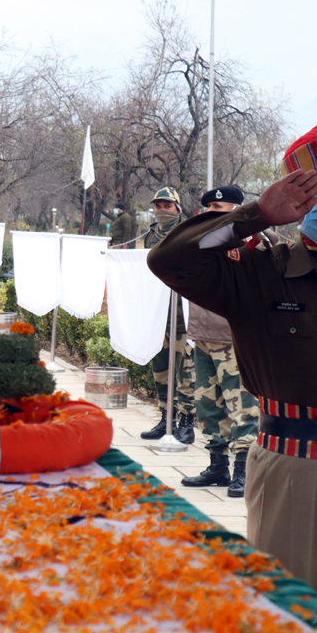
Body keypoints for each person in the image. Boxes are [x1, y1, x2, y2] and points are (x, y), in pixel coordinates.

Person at [148, 50, 317, 627]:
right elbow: (168, 259)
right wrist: (257, 215)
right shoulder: (258, 273)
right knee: (281, 630)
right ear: (296, 196)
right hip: (290, 466)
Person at [180, 186, 262, 498]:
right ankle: (217, 465)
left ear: (237, 209)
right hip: (202, 332)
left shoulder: (251, 239)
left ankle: (243, 468)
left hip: (232, 335)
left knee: (241, 406)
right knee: (207, 405)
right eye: (210, 207)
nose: (211, 211)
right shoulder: (202, 238)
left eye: (219, 207)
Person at [139, 186, 195, 444]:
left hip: (182, 316)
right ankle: (166, 418)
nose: (162, 211)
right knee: (161, 370)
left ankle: (187, 422)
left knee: (185, 373)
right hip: (157, 315)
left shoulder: (189, 232)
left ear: (177, 208)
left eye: (167, 206)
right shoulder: (150, 236)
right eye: (158, 206)